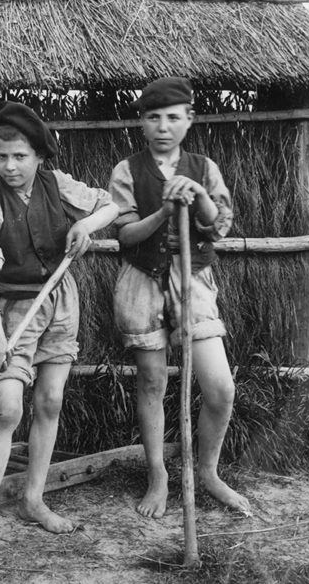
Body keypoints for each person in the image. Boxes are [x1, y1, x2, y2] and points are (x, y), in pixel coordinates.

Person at [0, 101, 119, 551]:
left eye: (20, 157)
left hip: (61, 301)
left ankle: (33, 499)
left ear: (39, 156)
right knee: (8, 408)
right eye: (2, 157)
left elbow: (111, 206)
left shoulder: (56, 183)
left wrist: (86, 226)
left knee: (50, 401)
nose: (10, 166)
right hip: (13, 310)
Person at [109, 77, 251, 518]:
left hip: (193, 281)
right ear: (142, 122)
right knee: (152, 381)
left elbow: (218, 226)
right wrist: (165, 211)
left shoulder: (204, 167)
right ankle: (158, 476)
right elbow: (126, 235)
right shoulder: (127, 171)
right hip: (142, 280)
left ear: (189, 120)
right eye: (153, 118)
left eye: (173, 118)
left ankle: (207, 472)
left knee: (220, 388)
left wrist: (199, 195)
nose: (163, 127)